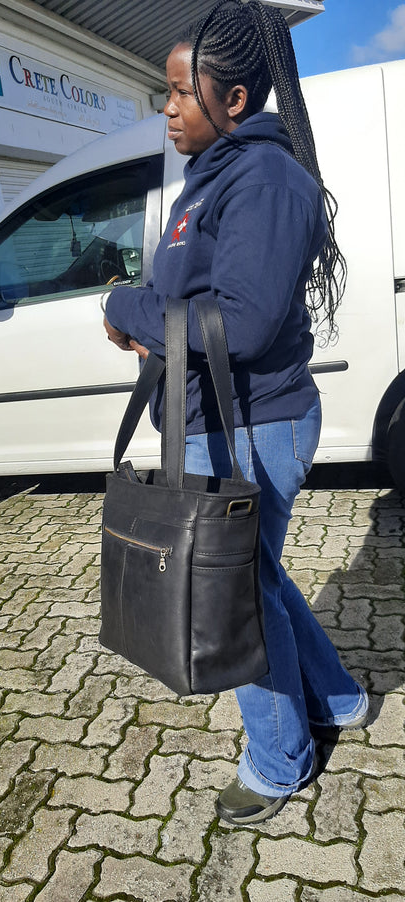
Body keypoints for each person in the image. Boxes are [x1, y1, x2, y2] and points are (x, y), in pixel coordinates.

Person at [103, 0, 368, 826]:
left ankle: (278, 761)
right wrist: (146, 314)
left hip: (258, 422)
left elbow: (243, 323)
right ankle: (339, 699)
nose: (169, 107)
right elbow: (190, 299)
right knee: (259, 578)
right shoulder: (212, 178)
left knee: (234, 598)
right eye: (167, 93)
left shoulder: (267, 178)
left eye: (182, 91)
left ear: (237, 100)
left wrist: (128, 306)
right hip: (220, 419)